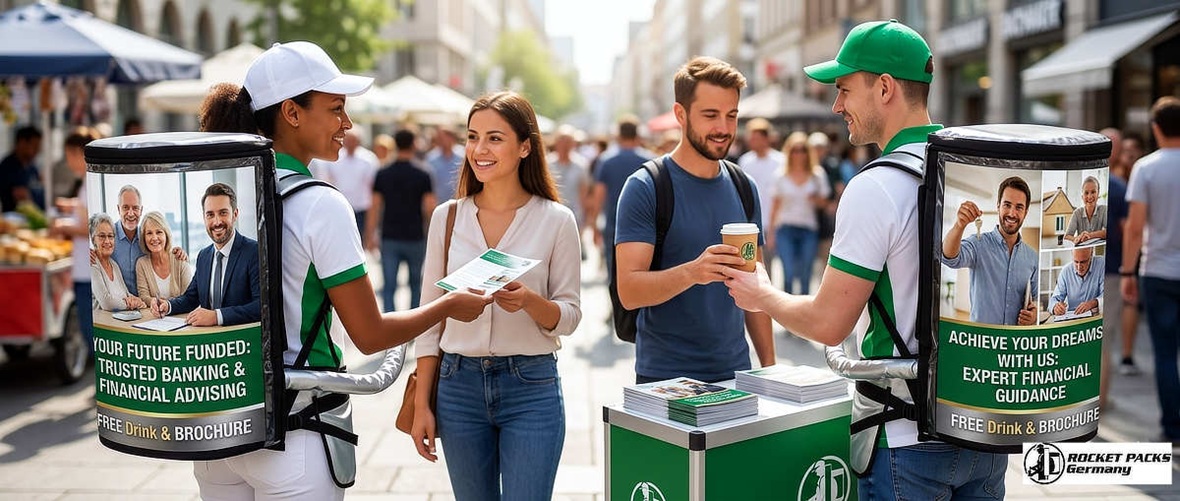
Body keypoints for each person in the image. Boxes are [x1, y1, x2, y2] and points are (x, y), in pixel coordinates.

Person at [720, 19, 1007, 497]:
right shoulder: (970, 169)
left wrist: (762, 293)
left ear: (886, 87)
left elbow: (829, 323)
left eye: (844, 89)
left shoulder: (875, 185)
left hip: (905, 440)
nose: (837, 106)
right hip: (981, 427)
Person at [194, 42, 490, 500]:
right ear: (291, 112)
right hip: (297, 432)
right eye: (335, 109)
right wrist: (447, 305)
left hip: (222, 424)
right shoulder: (319, 204)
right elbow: (369, 334)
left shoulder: (226, 196)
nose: (347, 124)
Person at [410, 91, 582, 500]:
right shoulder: (447, 218)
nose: (479, 150)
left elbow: (571, 315)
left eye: (494, 138)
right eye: (473, 137)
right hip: (458, 386)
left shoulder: (556, 220)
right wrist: (421, 404)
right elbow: (429, 318)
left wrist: (529, 302)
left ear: (525, 147)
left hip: (531, 386)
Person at [615, 56, 775, 384]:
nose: (724, 128)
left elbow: (756, 288)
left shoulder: (745, 186)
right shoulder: (646, 187)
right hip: (665, 380)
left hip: (737, 374)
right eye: (710, 115)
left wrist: (770, 370)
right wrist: (693, 272)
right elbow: (629, 290)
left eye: (731, 116)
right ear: (680, 114)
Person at [1122, 96, 1180, 445]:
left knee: (1164, 353)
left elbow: (1135, 226)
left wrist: (1128, 272)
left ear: (1156, 129)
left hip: (1158, 271)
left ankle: (1173, 428)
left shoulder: (1146, 167)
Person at [150, 183, 260, 327]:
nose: (217, 222)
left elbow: (261, 306)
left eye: (223, 213)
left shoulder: (254, 252)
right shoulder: (204, 256)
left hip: (240, 343)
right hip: (207, 342)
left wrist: (217, 316)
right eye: (210, 215)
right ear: (204, 218)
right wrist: (168, 305)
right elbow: (191, 298)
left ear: (235, 214)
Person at [942, 176, 1039, 326]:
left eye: (1019, 207)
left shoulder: (1033, 257)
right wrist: (959, 225)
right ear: (998, 206)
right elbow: (950, 258)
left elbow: (1036, 299)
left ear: (1025, 212)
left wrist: (1034, 315)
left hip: (1016, 342)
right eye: (1007, 205)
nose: (1012, 214)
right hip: (982, 341)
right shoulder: (978, 243)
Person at [366, 129, 435, 311]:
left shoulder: (383, 173)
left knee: (389, 286)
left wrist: (370, 234)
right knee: (415, 285)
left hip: (390, 235)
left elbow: (374, 206)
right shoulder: (423, 173)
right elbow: (430, 208)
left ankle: (389, 326)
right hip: (415, 236)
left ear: (395, 144)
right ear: (413, 144)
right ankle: (413, 329)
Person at [50, 127, 101, 352]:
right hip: (88, 269)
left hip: (87, 271)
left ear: (78, 152)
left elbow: (90, 228)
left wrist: (62, 226)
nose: (69, 162)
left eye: (69, 155)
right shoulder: (90, 180)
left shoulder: (89, 181)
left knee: (91, 333)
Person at [769, 131, 830, 295]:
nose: (799, 153)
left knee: (805, 275)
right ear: (789, 151)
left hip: (808, 229)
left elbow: (825, 203)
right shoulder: (780, 175)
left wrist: (816, 199)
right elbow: (774, 206)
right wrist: (771, 234)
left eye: (803, 149)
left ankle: (803, 317)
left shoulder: (817, 174)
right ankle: (787, 315)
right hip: (785, 229)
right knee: (788, 273)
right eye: (795, 149)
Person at [592, 116, 653, 277]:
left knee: (615, 274)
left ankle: (617, 302)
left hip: (614, 225)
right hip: (647, 227)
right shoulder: (650, 161)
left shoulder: (606, 160)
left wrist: (593, 225)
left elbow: (599, 195)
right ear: (637, 134)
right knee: (644, 273)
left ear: (618, 135)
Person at [312, 128, 380, 235]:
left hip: (362, 209)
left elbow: (373, 185)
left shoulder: (369, 159)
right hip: (339, 207)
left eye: (354, 140)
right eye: (348, 140)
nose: (350, 143)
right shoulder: (334, 157)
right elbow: (326, 180)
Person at [737, 118, 785, 263]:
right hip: (753, 222)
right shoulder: (744, 161)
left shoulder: (781, 160)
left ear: (766, 139)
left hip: (778, 223)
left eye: (756, 138)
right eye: (751, 138)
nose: (752, 141)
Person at [134, 211, 194, 305]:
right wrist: (154, 301)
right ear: (143, 238)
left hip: (181, 316)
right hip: (156, 317)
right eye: (149, 233)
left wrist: (167, 305)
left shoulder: (180, 259)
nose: (154, 238)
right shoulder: (141, 263)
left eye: (159, 232)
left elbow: (189, 297)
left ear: (166, 234)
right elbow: (144, 296)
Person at [90, 213, 146, 312]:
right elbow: (107, 303)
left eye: (110, 236)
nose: (107, 241)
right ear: (93, 239)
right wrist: (130, 304)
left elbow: (126, 294)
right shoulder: (92, 264)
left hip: (118, 322)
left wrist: (138, 301)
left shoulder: (114, 264)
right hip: (100, 325)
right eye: (102, 236)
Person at [548, 125, 593, 241]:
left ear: (573, 143)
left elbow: (585, 192)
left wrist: (587, 220)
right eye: (561, 140)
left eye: (568, 141)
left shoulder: (581, 165)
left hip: (575, 217)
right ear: (556, 142)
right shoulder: (547, 164)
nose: (564, 145)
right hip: (551, 217)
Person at [1050, 246, 1103, 318]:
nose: (1079, 267)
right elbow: (1054, 298)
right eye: (1076, 261)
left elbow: (1109, 295)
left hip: (1095, 318)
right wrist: (1055, 307)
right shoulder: (1065, 271)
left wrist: (1093, 303)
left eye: (1083, 262)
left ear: (1091, 254)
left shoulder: (1102, 265)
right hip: (1072, 319)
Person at [0, 125, 43, 212]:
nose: (38, 151)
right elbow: (20, 196)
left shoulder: (32, 167)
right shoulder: (7, 167)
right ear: (22, 143)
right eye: (34, 146)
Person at [1063, 176, 1107, 244]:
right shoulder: (1077, 213)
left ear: (1098, 194)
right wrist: (1076, 238)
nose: (1089, 196)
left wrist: (1090, 235)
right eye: (1086, 193)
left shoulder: (1104, 210)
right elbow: (1067, 237)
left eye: (1093, 192)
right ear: (1082, 196)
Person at [426, 127, 464, 205]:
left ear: (452, 138)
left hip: (459, 203)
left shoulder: (463, 156)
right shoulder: (431, 158)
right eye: (440, 138)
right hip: (438, 204)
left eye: (446, 137)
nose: (443, 140)